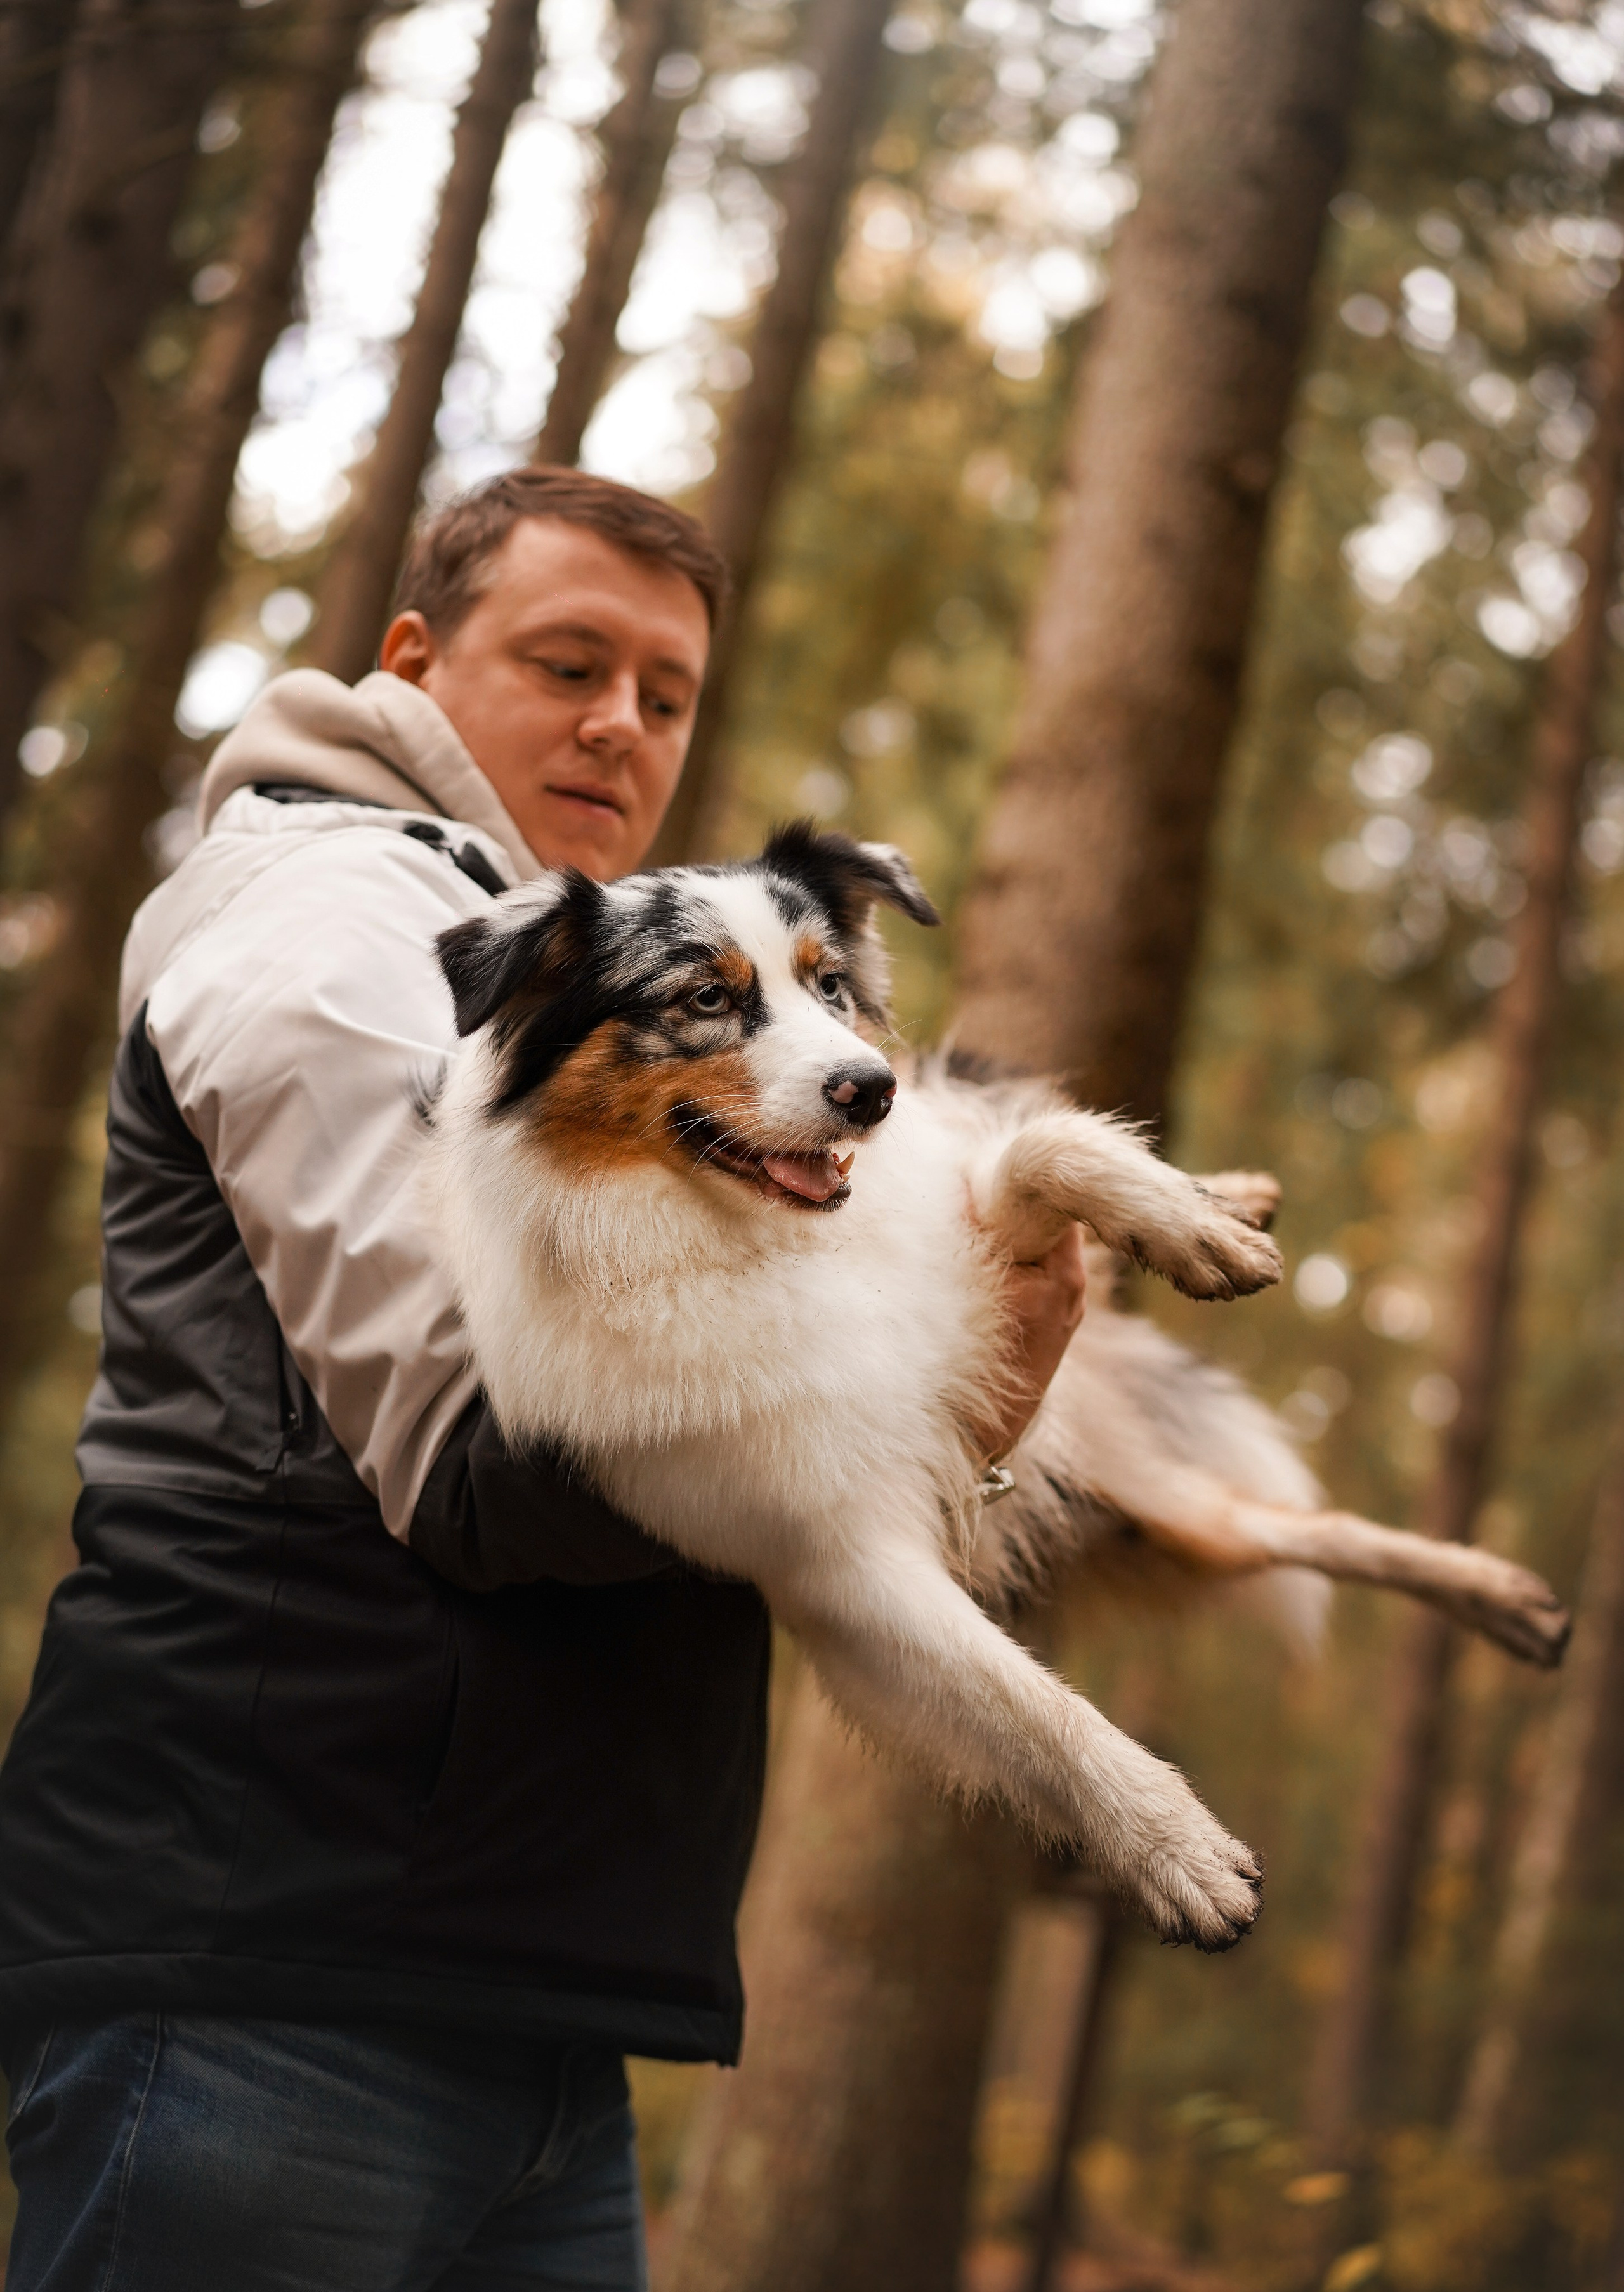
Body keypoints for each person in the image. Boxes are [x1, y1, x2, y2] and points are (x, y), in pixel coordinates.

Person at [0, 468, 1085, 2291]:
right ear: (415, 658)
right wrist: (936, 1398)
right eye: (572, 661)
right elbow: (486, 1457)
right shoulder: (325, 922)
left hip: (516, 2003)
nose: (623, 725)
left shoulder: (574, 967)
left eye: (667, 695)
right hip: (277, 1976)